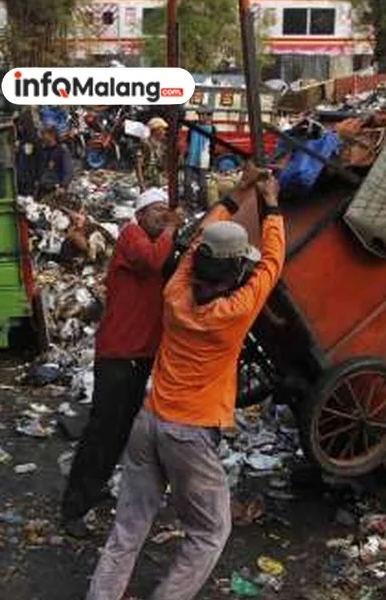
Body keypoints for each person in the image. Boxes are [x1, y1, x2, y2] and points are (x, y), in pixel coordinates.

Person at [86, 166, 286, 600]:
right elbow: (272, 262)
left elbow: (195, 242)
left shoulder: (175, 296)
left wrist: (239, 193)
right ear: (234, 273)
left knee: (129, 526)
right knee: (211, 530)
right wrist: (270, 203)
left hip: (149, 421)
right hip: (190, 434)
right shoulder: (233, 314)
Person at [60, 188, 181, 538]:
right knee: (102, 432)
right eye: (155, 211)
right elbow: (151, 263)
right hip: (118, 354)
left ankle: (92, 488)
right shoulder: (133, 236)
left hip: (138, 355)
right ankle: (73, 508)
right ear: (140, 215)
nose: (163, 216)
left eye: (166, 210)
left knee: (118, 432)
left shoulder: (159, 244)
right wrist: (172, 229)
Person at [181, 108, 215, 210]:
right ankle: (188, 205)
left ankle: (202, 206)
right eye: (200, 115)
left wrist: (211, 162)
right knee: (187, 183)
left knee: (203, 185)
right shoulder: (193, 127)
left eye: (204, 115)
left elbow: (212, 146)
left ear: (209, 116)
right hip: (191, 158)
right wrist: (184, 155)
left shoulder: (212, 129)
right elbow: (188, 142)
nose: (202, 117)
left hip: (204, 159)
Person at [36, 126, 73, 198]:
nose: (43, 137)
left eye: (44, 134)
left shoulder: (61, 150)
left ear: (52, 135)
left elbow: (68, 170)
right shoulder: (43, 150)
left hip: (56, 189)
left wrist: (63, 186)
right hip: (43, 187)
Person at [136, 117, 170, 190]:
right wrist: (142, 185)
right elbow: (138, 166)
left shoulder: (162, 145)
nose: (164, 132)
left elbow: (165, 165)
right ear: (156, 130)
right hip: (148, 183)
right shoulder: (145, 144)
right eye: (162, 129)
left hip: (161, 183)